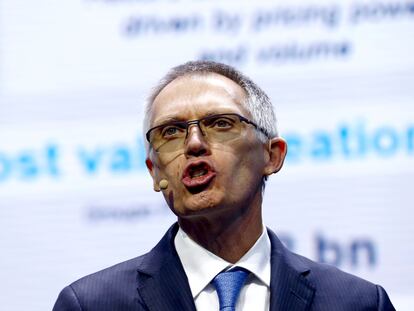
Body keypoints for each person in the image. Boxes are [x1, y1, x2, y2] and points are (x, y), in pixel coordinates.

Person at [53, 61, 395, 311]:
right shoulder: (91, 304)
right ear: (154, 172)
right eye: (171, 132)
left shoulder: (357, 302)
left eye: (220, 123)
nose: (195, 144)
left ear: (271, 156)